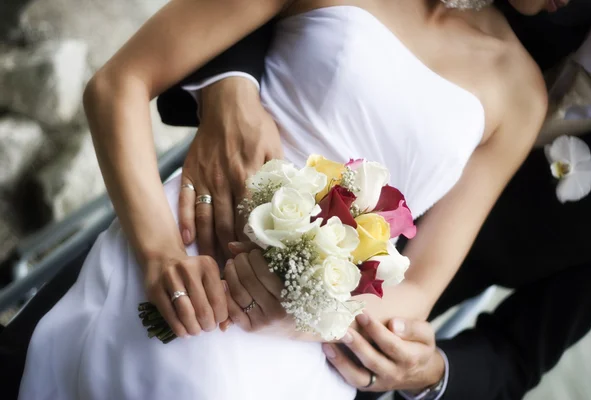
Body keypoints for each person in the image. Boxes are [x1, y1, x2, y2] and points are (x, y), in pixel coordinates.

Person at [17, 0, 551, 398]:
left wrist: (307, 308)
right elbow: (117, 84)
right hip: (187, 257)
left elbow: (417, 286)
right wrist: (160, 256)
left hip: (306, 343)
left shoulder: (523, 96)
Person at [155, 1, 591, 399]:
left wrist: (423, 370)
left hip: (352, 339)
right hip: (202, 208)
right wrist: (227, 85)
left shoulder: (518, 86)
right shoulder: (568, 13)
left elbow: (514, 353)